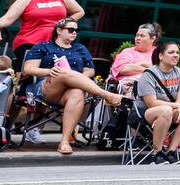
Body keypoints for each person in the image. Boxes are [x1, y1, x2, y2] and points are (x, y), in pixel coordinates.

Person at [0, 0, 84, 145]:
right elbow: (9, 18)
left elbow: (79, 11)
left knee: (48, 81)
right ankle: (5, 128)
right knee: (21, 85)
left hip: (52, 47)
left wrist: (64, 26)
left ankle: (34, 127)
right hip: (29, 45)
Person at [21, 18, 122, 155]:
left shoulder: (80, 48)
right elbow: (28, 69)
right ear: (59, 30)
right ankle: (105, 95)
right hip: (47, 86)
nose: (74, 33)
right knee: (63, 71)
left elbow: (90, 71)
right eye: (71, 30)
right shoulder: (43, 46)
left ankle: (64, 141)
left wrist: (77, 79)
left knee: (77, 92)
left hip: (69, 91)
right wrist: (49, 71)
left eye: (76, 30)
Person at [137, 39, 180, 164]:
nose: (175, 55)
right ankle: (157, 153)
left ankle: (171, 151)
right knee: (166, 110)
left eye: (177, 53)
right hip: (146, 113)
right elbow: (151, 103)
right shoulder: (149, 74)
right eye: (171, 52)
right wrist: (176, 105)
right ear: (160, 56)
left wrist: (178, 106)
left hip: (170, 111)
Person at [109, 23, 161, 97]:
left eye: (142, 36)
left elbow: (163, 72)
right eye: (137, 35)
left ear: (153, 38)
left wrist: (135, 66)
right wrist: (147, 68)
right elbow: (124, 69)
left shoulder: (159, 53)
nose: (138, 38)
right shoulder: (127, 52)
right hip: (130, 90)